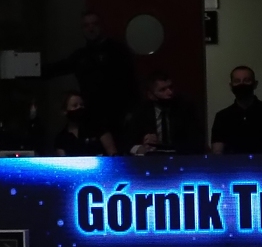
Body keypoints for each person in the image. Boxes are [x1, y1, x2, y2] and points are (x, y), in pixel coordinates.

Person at [43, 11, 139, 155]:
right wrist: (29, 70)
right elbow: (57, 69)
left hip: (117, 114)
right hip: (91, 116)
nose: (91, 28)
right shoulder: (81, 56)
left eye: (94, 24)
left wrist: (131, 111)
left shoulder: (118, 51)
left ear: (101, 26)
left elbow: (131, 82)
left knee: (119, 153)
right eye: (86, 25)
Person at [210, 66, 262, 155]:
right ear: (231, 85)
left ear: (255, 84)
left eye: (246, 80)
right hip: (231, 164)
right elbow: (217, 153)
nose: (242, 84)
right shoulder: (222, 117)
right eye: (237, 81)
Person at [125, 74, 204, 155]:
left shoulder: (185, 108)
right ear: (151, 95)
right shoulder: (141, 111)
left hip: (180, 156)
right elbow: (126, 141)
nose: (170, 92)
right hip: (151, 158)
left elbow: (197, 140)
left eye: (171, 87)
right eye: (162, 90)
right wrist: (140, 146)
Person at [53, 92, 103, 156]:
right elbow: (63, 159)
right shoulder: (61, 138)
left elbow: (112, 154)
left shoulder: (97, 128)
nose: (79, 107)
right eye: (75, 105)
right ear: (64, 111)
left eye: (81, 105)